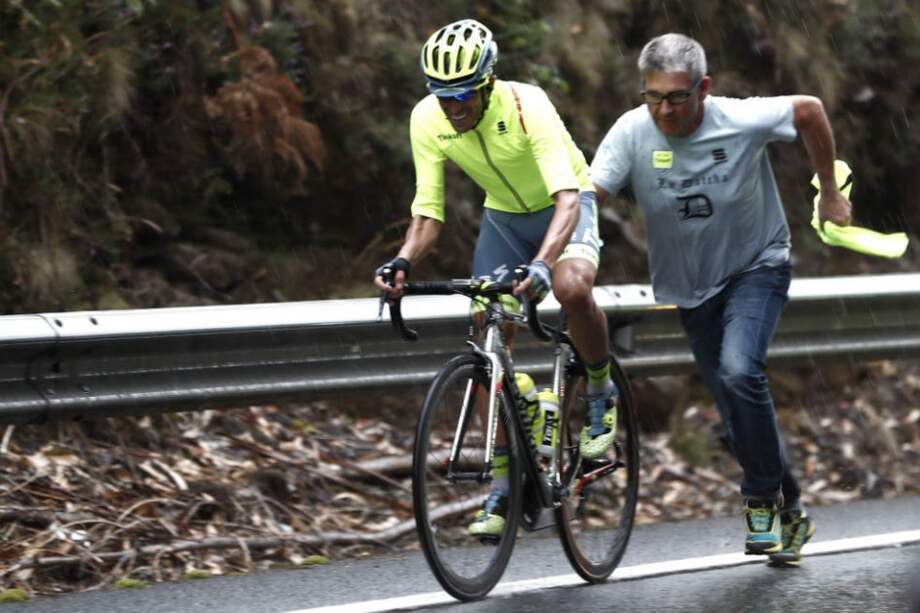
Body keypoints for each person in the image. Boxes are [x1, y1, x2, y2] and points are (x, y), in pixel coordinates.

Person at [590, 33, 852, 565]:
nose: (664, 109)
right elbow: (587, 195)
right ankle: (792, 506)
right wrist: (562, 245)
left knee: (739, 373)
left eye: (677, 97)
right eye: (653, 96)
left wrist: (828, 188)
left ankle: (759, 497)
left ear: (704, 88)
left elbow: (810, 110)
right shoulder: (632, 132)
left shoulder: (739, 118)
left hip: (758, 265)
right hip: (691, 288)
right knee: (735, 418)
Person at [373, 19, 617, 537]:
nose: (452, 107)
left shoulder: (528, 105)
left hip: (568, 205)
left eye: (462, 94)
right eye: (441, 96)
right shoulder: (427, 120)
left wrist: (545, 263)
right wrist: (402, 262)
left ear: (486, 84)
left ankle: (600, 388)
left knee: (572, 288)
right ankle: (503, 488)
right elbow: (428, 214)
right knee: (486, 327)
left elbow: (567, 199)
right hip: (505, 218)